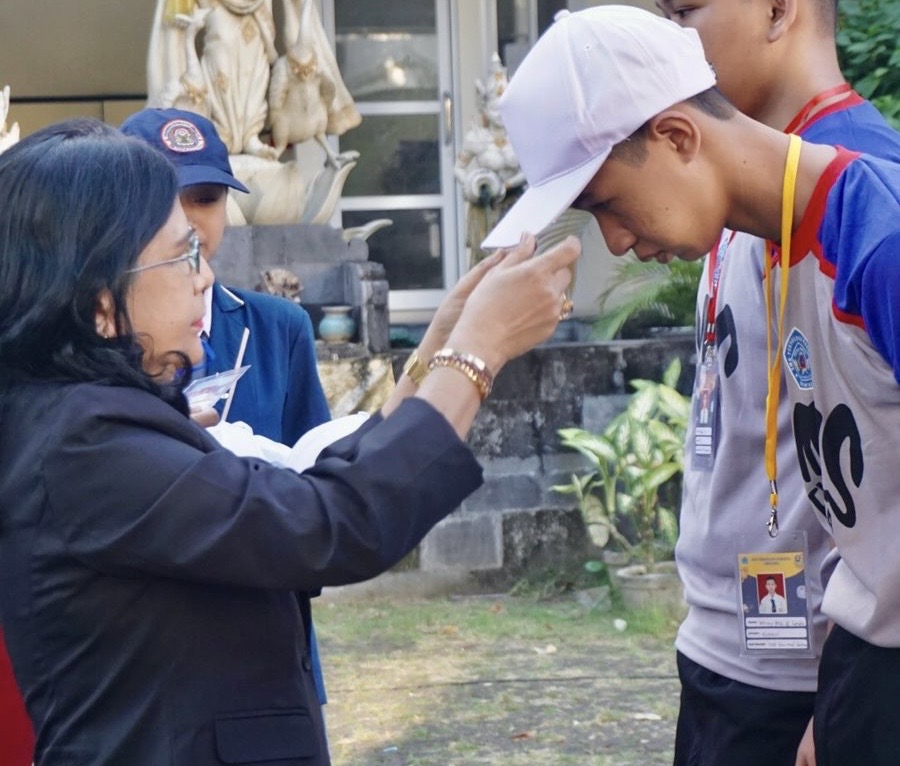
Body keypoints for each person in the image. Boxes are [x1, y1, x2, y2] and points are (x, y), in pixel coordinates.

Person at [0, 117, 579, 766]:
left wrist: (439, 344)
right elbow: (330, 524)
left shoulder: (85, 417)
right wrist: (478, 353)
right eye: (183, 253)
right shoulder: (88, 443)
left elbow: (303, 487)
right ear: (99, 301)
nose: (203, 277)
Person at [481, 6, 900, 764]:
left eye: (606, 204)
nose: (613, 241)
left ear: (677, 137)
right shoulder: (783, 229)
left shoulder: (879, 237)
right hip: (841, 664)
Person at [648, 2, 900, 764]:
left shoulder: (866, 193)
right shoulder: (737, 178)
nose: (671, 38)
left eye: (686, 9)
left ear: (779, 9)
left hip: (812, 672)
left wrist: (851, 689)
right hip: (733, 642)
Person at [120, 105, 338, 711]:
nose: (192, 220)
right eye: (170, 199)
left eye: (207, 198)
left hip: (269, 628)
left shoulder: (279, 326)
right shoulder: (103, 339)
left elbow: (314, 474)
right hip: (155, 642)